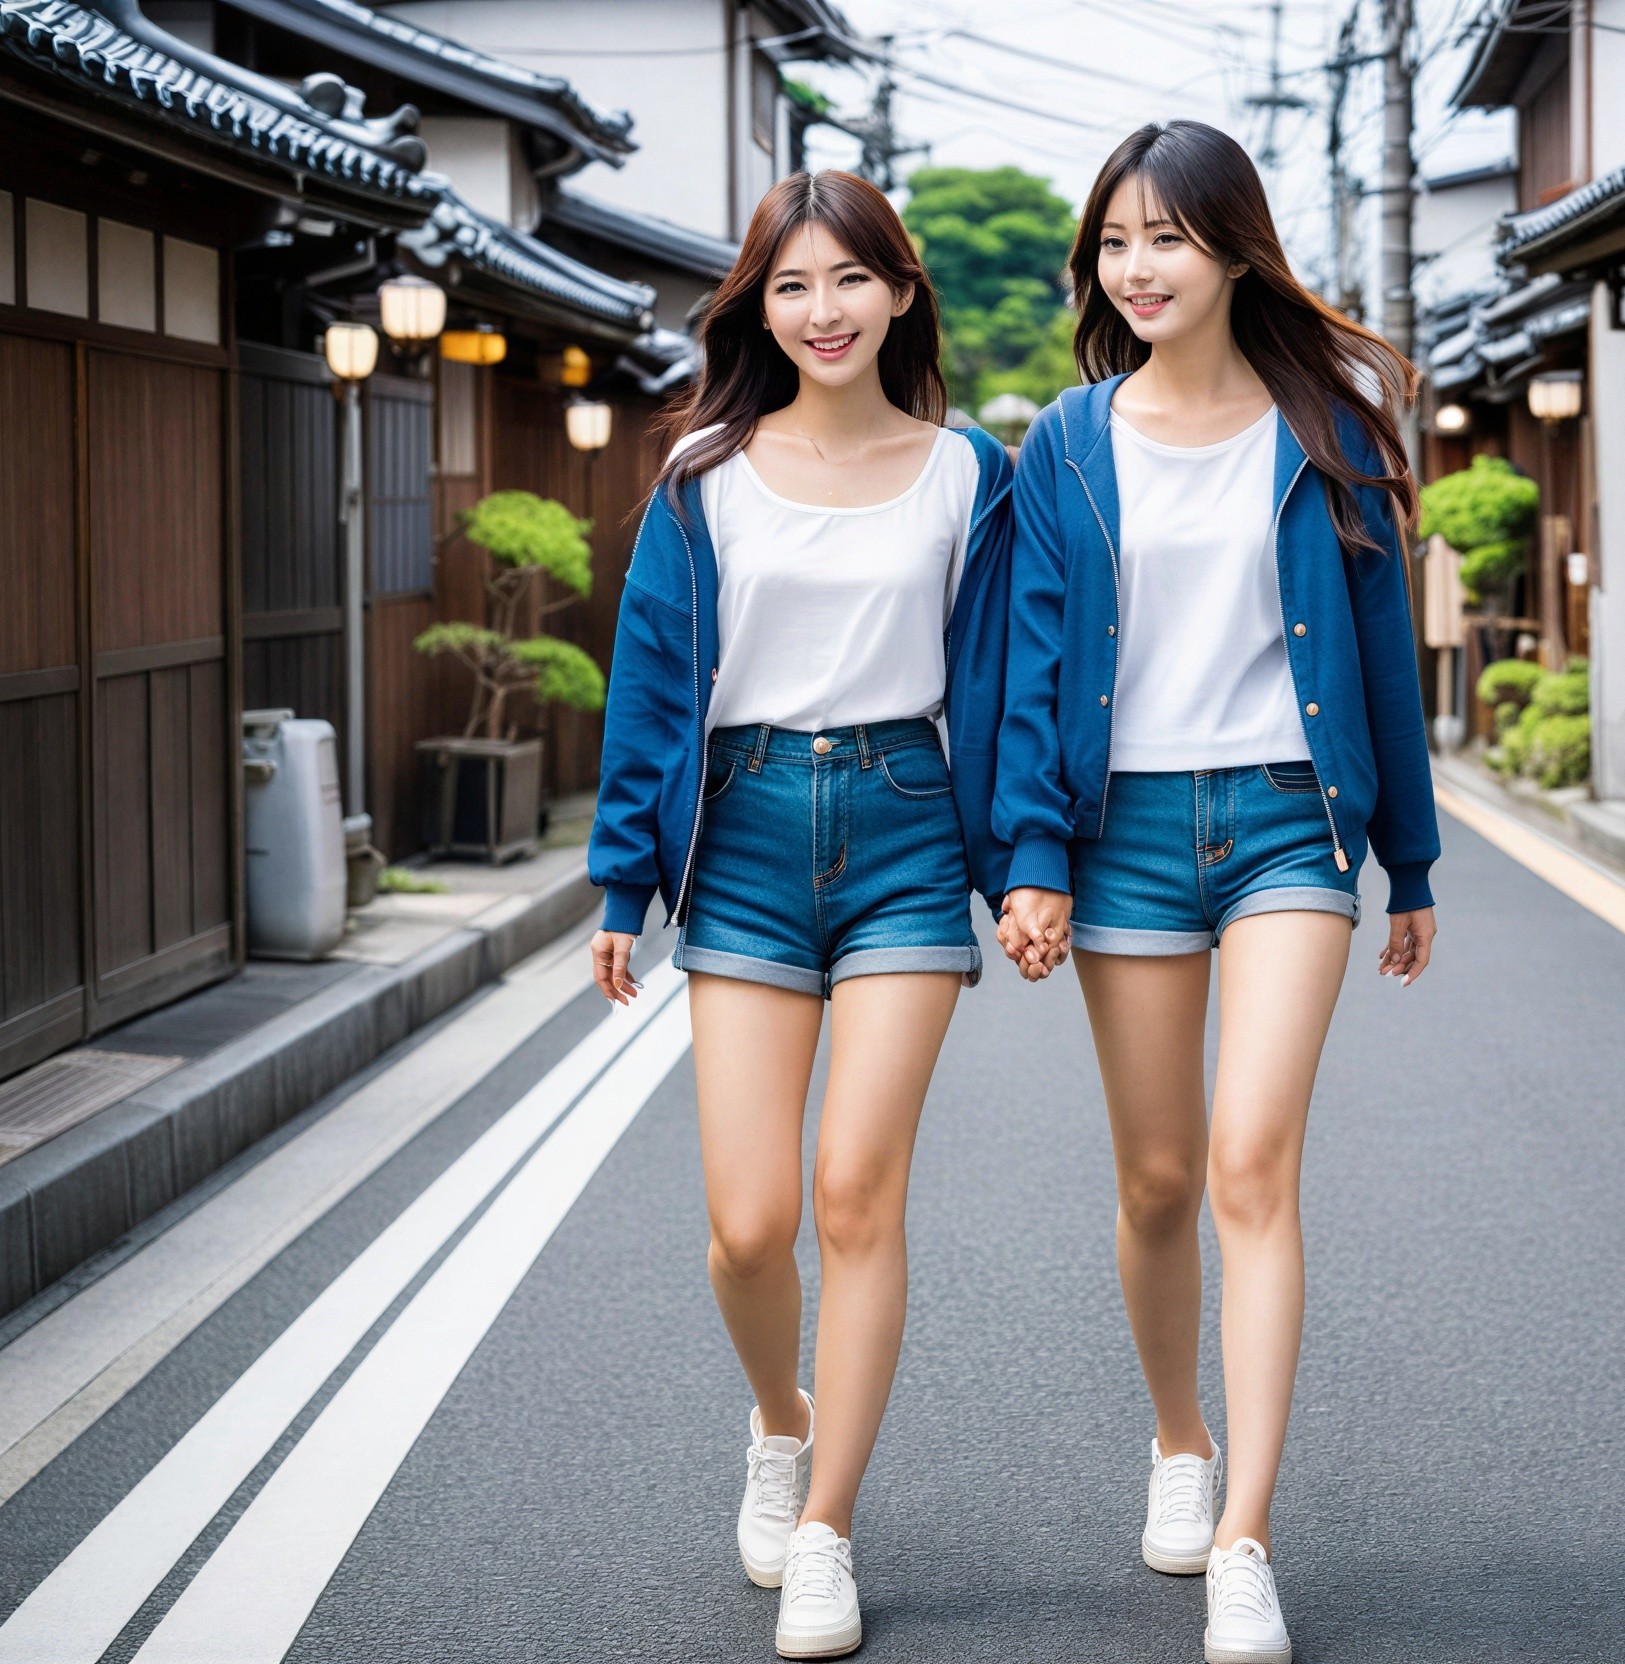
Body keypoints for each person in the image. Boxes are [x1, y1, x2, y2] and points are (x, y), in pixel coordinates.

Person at [992, 121, 1439, 1664]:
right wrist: (1033, 855)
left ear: (1237, 246)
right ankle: (1179, 1442)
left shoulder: (1328, 424)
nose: (1138, 267)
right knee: (1160, 1179)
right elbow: (1031, 661)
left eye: (1168, 237)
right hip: (1119, 836)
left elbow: (1383, 659)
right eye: (1116, 242)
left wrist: (1414, 862)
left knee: (1254, 1161)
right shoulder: (1066, 440)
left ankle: (1247, 1530)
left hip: (1283, 827)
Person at [586, 170, 1013, 1660]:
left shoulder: (973, 474)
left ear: (901, 291)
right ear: (757, 306)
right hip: (744, 831)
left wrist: (1023, 860)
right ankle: (783, 1420)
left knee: (853, 1196)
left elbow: (1006, 697)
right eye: (790, 284)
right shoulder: (705, 473)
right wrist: (620, 882)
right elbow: (650, 685)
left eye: (850, 279)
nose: (821, 311)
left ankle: (826, 1526)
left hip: (904, 826)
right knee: (748, 1225)